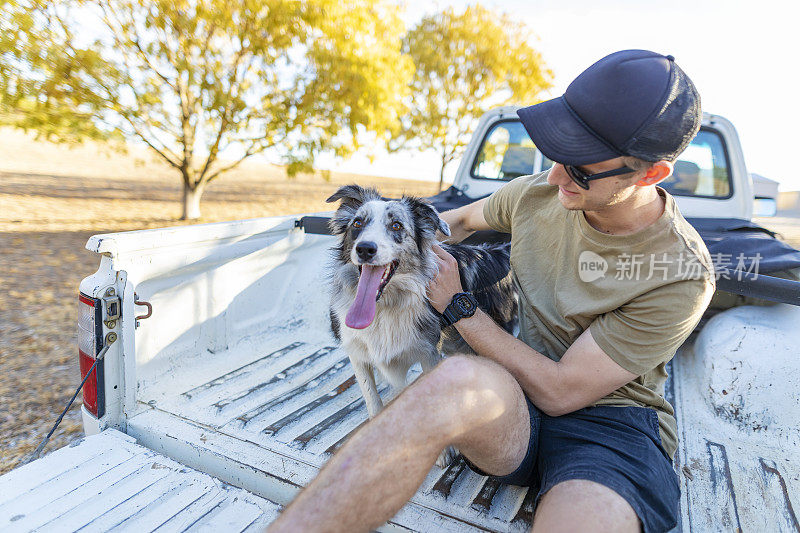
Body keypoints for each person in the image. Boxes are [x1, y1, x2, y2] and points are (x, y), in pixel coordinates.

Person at [269, 49, 715, 533]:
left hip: (607, 425)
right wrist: (398, 251)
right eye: (558, 152)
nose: (555, 178)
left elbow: (562, 391)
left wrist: (458, 306)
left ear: (650, 174)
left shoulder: (681, 273)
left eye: (581, 169)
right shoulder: (537, 194)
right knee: (446, 379)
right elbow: (455, 222)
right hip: (511, 394)